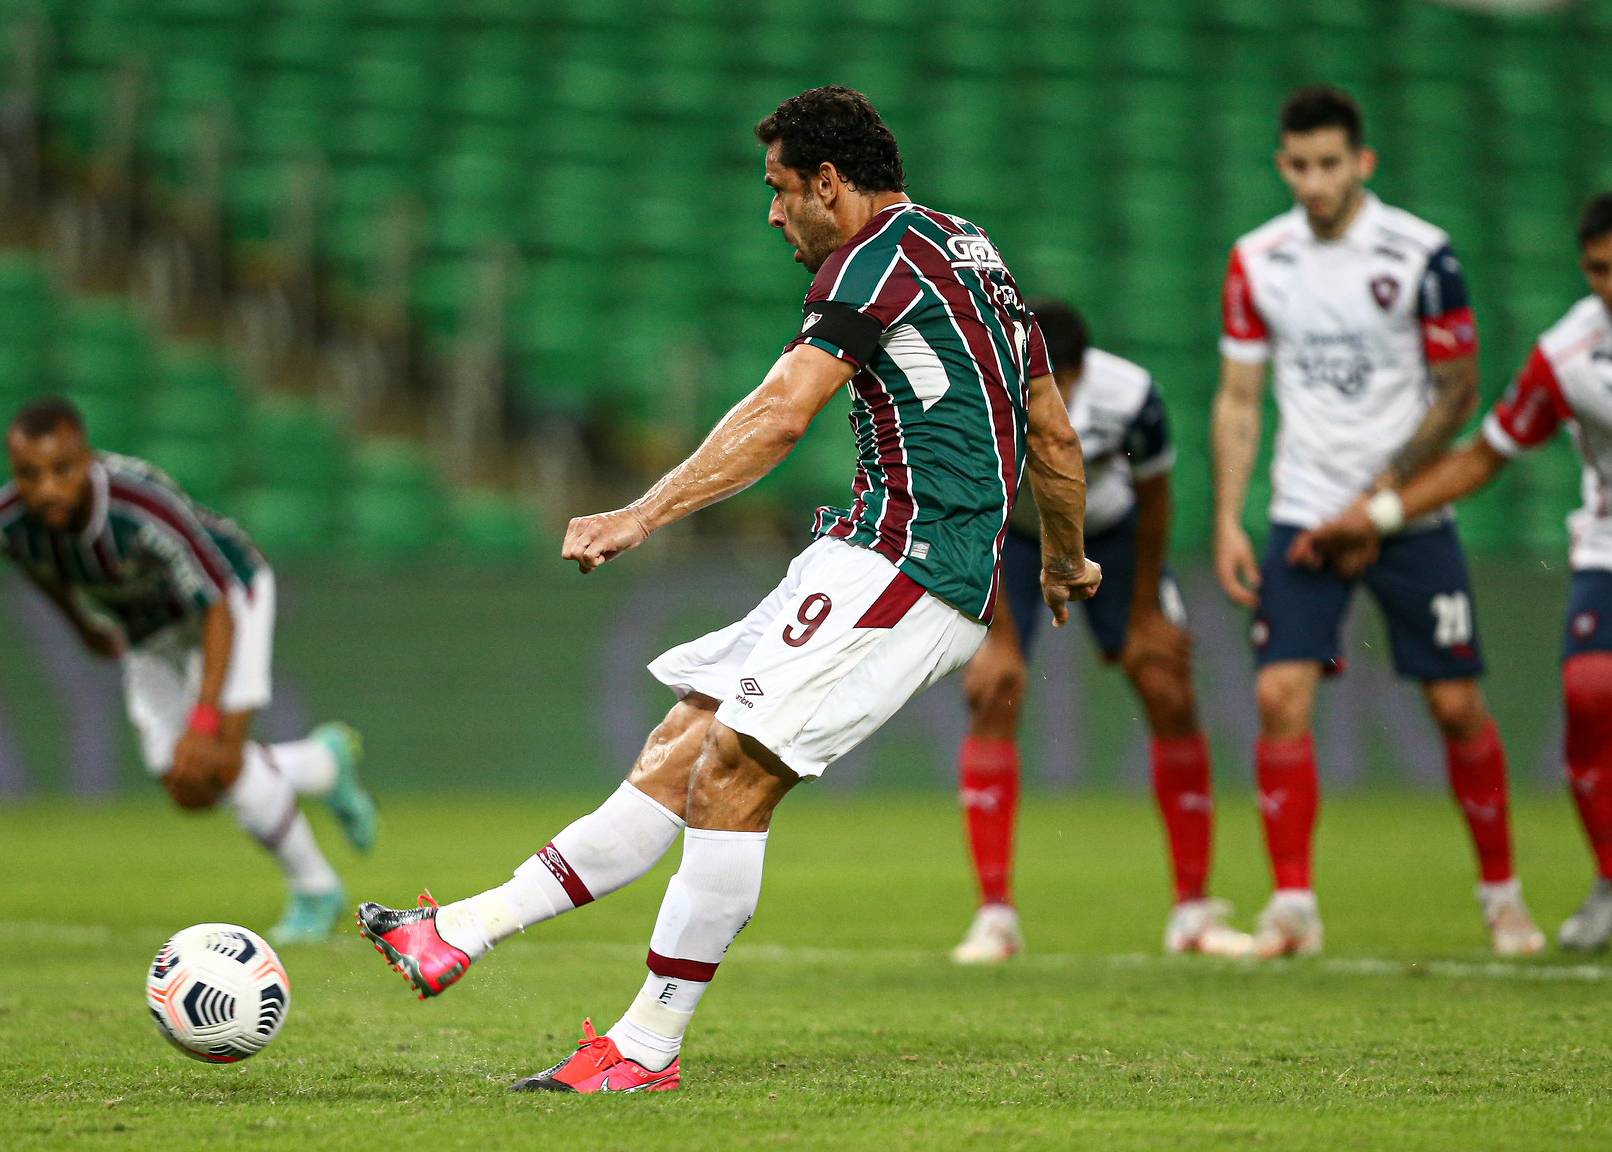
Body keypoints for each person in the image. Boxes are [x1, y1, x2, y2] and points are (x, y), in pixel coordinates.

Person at [354, 86, 1101, 1093]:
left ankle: (644, 1047)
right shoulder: (970, 248)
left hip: (907, 565)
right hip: (865, 552)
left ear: (828, 185)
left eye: (779, 189)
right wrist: (1060, 555)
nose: (771, 214)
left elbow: (783, 410)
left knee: (733, 771)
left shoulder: (868, 263)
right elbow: (1049, 426)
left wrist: (640, 513)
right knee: (679, 749)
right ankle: (460, 930)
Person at [1298, 190, 1612, 953]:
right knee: (1588, 689)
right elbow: (1483, 456)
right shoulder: (1568, 356)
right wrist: (1377, 515)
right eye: (1600, 269)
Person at [1210, 86, 1543, 958]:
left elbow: (1459, 391)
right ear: (1282, 165)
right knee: (1279, 696)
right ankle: (1292, 905)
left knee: (1456, 701)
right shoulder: (1258, 258)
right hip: (1302, 512)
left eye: (1331, 164)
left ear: (1364, 162)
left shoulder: (1423, 254)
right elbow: (1241, 398)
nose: (1315, 182)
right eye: (1299, 165)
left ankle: (1502, 894)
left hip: (1407, 515)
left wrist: (1383, 496)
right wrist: (1229, 517)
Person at [0, 396, 378, 944]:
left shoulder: (139, 511)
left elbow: (214, 606)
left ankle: (315, 889)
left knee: (220, 758)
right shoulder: (6, 526)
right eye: (29, 474)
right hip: (146, 630)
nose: (46, 487)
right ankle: (319, 764)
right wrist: (83, 626)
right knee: (188, 787)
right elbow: (47, 573)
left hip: (229, 599)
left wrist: (206, 720)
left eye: (61, 469)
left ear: (86, 457)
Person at [949, 299, 1251, 964]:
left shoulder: (1133, 396)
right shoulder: (984, 395)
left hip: (1111, 536)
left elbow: (1157, 499)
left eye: (1070, 376)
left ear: (1085, 368)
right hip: (1017, 540)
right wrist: (999, 636)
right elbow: (977, 513)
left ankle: (1193, 911)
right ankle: (995, 915)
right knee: (994, 686)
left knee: (1168, 686)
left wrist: (1143, 613)